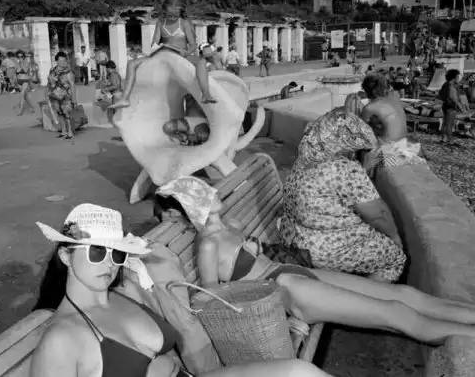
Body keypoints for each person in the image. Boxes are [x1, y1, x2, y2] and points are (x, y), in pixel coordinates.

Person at [155, 176, 475, 345]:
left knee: (402, 294)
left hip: (293, 272)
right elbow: (213, 298)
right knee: (396, 313)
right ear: (188, 210)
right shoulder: (208, 245)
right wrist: (275, 320)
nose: (212, 194)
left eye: (208, 190)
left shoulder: (231, 226)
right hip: (288, 292)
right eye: (202, 195)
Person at [30, 203, 333, 377]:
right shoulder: (62, 339)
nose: (110, 264)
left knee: (299, 372)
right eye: (97, 252)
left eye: (117, 253)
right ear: (66, 256)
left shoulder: (124, 292)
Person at [278, 108, 406, 282]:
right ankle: (364, 295)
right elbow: (379, 215)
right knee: (394, 258)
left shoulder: (304, 160)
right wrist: (395, 238)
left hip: (293, 238)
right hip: (321, 251)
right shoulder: (345, 170)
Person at [109, 0, 216, 109]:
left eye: (175, 15)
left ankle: (206, 94)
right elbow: (154, 44)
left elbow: (193, 45)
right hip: (163, 54)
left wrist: (186, 52)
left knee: (201, 62)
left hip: (181, 55)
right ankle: (125, 98)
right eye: (170, 15)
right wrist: (159, 47)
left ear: (180, 13)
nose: (172, 18)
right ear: (165, 11)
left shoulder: (184, 24)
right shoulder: (160, 23)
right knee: (131, 63)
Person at [361, 74, 407, 143]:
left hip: (387, 145)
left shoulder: (369, 108)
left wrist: (351, 98)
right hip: (403, 141)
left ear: (366, 90)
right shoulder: (394, 98)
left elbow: (362, 128)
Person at [47, 52, 77, 139]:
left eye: (64, 61)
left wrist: (74, 100)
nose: (63, 63)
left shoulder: (69, 72)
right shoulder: (52, 70)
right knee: (59, 113)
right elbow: (49, 82)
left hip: (65, 96)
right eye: (61, 61)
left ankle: (70, 132)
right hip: (54, 95)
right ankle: (63, 131)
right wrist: (48, 93)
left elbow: (72, 86)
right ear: (56, 61)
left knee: (66, 114)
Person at [439, 69, 470, 146]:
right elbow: (454, 99)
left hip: (445, 105)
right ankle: (451, 141)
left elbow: (441, 94)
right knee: (449, 125)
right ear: (455, 77)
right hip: (451, 107)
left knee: (445, 123)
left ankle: (444, 139)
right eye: (458, 77)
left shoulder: (445, 84)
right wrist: (463, 110)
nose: (459, 78)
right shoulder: (451, 87)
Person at [15, 50, 35, 115]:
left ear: (23, 56)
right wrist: (14, 81)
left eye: (21, 56)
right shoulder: (17, 63)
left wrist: (21, 63)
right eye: (18, 56)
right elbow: (16, 72)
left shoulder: (26, 62)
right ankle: (32, 107)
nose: (20, 58)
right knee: (25, 96)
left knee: (22, 94)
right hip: (19, 80)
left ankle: (20, 110)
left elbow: (26, 70)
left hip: (25, 80)